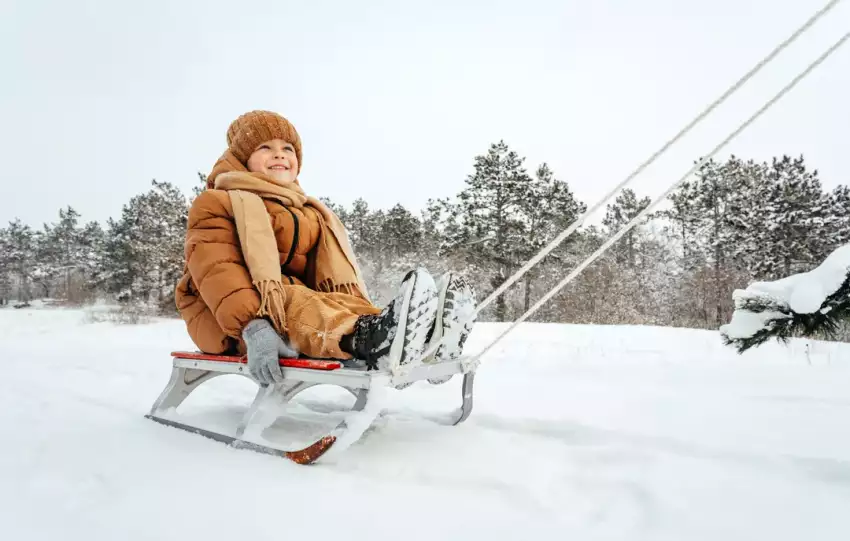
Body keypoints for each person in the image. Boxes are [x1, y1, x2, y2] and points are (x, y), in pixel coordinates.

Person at [175, 110, 475, 385]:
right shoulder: (218, 201)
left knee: (337, 301)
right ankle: (370, 339)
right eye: (264, 147)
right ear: (242, 158)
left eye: (288, 149)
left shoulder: (308, 211)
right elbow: (217, 270)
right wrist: (253, 327)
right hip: (224, 318)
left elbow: (322, 283)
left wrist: (340, 302)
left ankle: (425, 341)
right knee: (293, 296)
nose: (279, 155)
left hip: (289, 308)